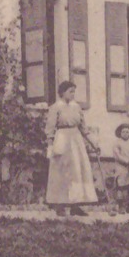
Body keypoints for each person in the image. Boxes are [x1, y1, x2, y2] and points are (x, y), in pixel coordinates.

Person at [45, 80, 98, 216]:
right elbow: (50, 129)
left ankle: (76, 205)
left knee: (77, 171)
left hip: (76, 140)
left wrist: (93, 143)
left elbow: (83, 128)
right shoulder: (55, 107)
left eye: (74, 91)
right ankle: (60, 205)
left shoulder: (77, 107)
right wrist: (50, 146)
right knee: (61, 172)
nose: (73, 94)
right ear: (62, 93)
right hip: (62, 139)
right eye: (70, 91)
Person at [104, 122, 129, 214]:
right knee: (121, 187)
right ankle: (121, 206)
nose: (125, 134)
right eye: (123, 132)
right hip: (121, 167)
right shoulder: (117, 144)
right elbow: (117, 155)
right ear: (120, 133)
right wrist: (127, 161)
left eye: (127, 132)